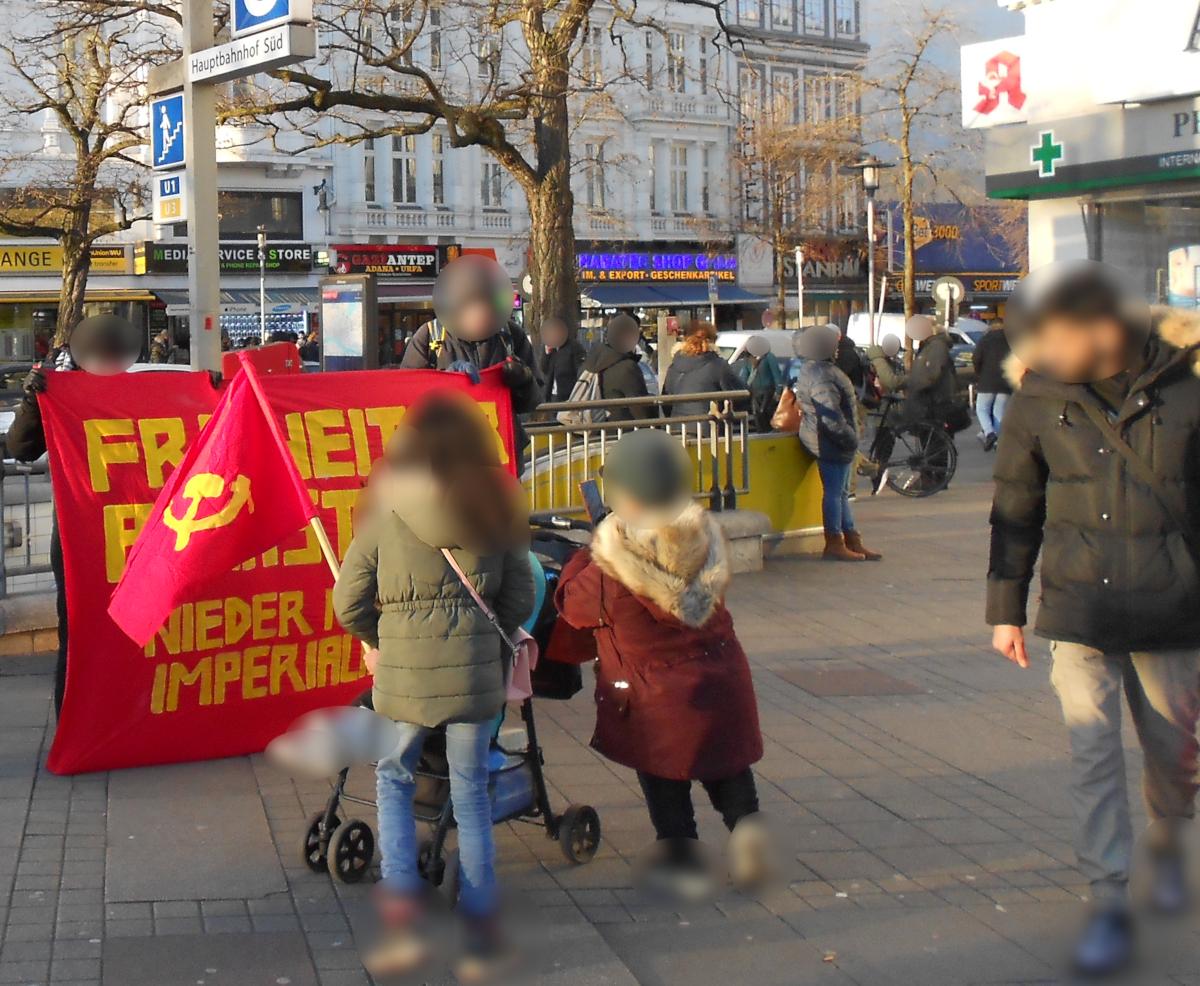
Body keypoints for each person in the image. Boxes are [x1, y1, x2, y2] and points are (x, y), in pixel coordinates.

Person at [987, 260, 1200, 977]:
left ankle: (1170, 843)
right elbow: (1015, 508)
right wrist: (1005, 609)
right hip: (1079, 605)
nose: (1043, 351)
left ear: (1105, 329)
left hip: (1173, 607)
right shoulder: (1038, 400)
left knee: (1175, 757)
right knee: (1094, 757)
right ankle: (1108, 894)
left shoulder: (1189, 390)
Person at [333, 391, 535, 981]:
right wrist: (487, 639)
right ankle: (479, 909)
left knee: (394, 780)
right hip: (474, 676)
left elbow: (347, 603)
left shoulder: (382, 514)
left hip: (401, 681)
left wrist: (382, 640)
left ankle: (400, 899)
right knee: (470, 792)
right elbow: (521, 594)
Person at [555, 430, 767, 896]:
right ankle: (750, 843)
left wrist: (588, 550)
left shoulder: (609, 569)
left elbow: (572, 605)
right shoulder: (702, 535)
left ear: (624, 497)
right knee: (726, 766)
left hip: (657, 699)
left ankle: (682, 857)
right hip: (722, 680)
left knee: (664, 776)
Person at [8, 315, 145, 717]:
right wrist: (34, 404)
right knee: (79, 627)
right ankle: (75, 717)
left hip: (136, 531)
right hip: (79, 535)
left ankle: (130, 711)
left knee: (136, 625)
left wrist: (208, 388)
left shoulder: (142, 392)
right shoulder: (61, 395)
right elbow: (22, 449)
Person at [400, 254, 539, 416]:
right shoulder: (429, 335)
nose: (480, 314)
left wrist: (523, 381)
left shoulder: (511, 335)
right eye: (473, 305)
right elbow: (406, 396)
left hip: (500, 435)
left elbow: (532, 403)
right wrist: (444, 381)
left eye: (485, 304)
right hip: (450, 436)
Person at [793, 325, 880, 562]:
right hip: (830, 440)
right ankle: (835, 540)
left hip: (827, 438)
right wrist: (850, 437)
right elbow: (830, 413)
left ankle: (850, 539)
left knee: (840, 492)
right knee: (835, 493)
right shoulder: (822, 373)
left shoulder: (815, 370)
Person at [578, 313, 654, 421]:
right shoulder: (627, 368)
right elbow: (641, 409)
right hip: (624, 430)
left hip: (593, 429)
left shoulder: (589, 362)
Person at [662, 321, 745, 417]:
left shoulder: (674, 366)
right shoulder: (717, 365)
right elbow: (739, 394)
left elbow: (666, 402)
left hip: (678, 425)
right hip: (709, 426)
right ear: (712, 340)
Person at [972, 321, 1013, 451]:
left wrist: (979, 372)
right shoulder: (1012, 339)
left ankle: (989, 433)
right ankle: (999, 441)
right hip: (1006, 381)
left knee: (982, 408)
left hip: (987, 380)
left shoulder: (985, 339)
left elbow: (976, 358)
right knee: (999, 411)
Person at [735, 335, 784, 432]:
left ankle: (768, 435)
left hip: (768, 392)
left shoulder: (769, 357)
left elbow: (777, 375)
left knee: (765, 414)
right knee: (757, 416)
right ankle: (762, 433)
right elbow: (744, 376)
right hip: (755, 392)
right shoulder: (748, 359)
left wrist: (778, 391)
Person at [536, 315, 585, 404]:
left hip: (569, 395)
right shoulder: (549, 346)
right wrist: (547, 354)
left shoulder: (574, 347)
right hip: (552, 394)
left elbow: (580, 370)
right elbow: (544, 369)